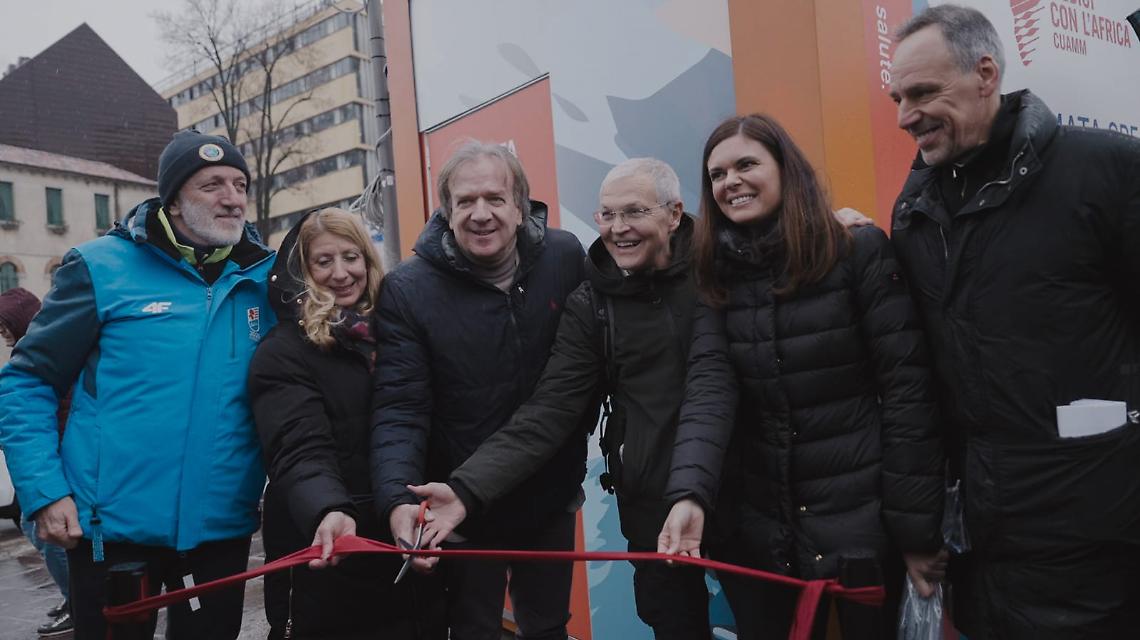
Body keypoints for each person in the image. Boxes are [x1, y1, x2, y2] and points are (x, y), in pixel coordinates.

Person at [885, 5, 1140, 638]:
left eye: (922, 92)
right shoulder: (912, 211)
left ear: (986, 74)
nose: (904, 115)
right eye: (896, 97)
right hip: (982, 543)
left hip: (1098, 535)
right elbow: (917, 379)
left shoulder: (1108, 170)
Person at [657, 114, 945, 639]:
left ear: (785, 170)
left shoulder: (857, 250)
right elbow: (709, 390)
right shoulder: (716, 276)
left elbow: (908, 391)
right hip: (763, 533)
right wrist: (689, 495)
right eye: (717, 174)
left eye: (746, 164)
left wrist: (916, 531)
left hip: (862, 528)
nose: (730, 182)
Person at [407, 158, 714, 639]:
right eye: (607, 215)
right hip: (654, 513)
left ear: (674, 214)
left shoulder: (722, 271)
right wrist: (466, 490)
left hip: (743, 500)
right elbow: (550, 410)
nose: (618, 229)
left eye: (634, 212)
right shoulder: (592, 304)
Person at [0, 129, 275, 640]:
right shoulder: (100, 268)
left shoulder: (265, 278)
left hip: (220, 530)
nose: (233, 197)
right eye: (213, 184)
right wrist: (44, 492)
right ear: (173, 199)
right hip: (111, 535)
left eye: (240, 184)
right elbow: (26, 381)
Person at [372, 140, 588, 640]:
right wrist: (395, 500)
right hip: (459, 504)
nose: (481, 214)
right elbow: (400, 408)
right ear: (446, 212)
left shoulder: (564, 256)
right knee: (474, 630)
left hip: (548, 494)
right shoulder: (408, 289)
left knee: (549, 626)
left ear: (520, 206)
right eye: (465, 201)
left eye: (495, 198)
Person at [248, 208, 430, 640]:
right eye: (324, 261)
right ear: (303, 271)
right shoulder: (283, 352)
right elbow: (298, 447)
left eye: (351, 257)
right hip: (323, 538)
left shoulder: (398, 334)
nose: (342, 273)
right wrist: (327, 507)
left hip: (397, 531)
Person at [0, 287, 73, 638]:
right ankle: (72, 597)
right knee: (36, 529)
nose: (2, 333)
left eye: (3, 325)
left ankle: (76, 600)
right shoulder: (32, 353)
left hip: (58, 460)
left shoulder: (45, 352)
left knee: (48, 533)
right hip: (47, 460)